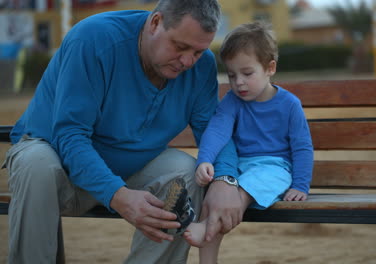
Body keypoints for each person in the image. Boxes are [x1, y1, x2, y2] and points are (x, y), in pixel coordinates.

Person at [2, 0, 243, 263]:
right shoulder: (93, 39)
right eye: (180, 46)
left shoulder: (201, 65)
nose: (187, 61)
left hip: (131, 170)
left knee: (185, 172)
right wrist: (118, 196)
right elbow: (70, 135)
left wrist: (226, 179)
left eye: (198, 51)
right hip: (59, 167)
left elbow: (213, 130)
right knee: (36, 163)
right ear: (155, 22)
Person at [183, 22, 314, 263]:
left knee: (243, 188)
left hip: (274, 169)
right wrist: (205, 160)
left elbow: (302, 147)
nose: (239, 82)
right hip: (240, 167)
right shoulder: (233, 101)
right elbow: (217, 131)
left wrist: (301, 185)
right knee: (214, 193)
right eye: (232, 75)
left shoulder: (289, 104)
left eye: (247, 73)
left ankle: (210, 223)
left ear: (269, 68)